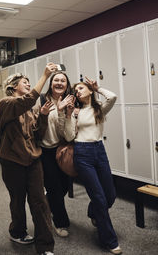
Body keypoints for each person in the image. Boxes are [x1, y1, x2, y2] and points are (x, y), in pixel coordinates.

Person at [0, 63, 58, 255]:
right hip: (12, 162)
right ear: (14, 86)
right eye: (25, 82)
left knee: (40, 202)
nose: (29, 84)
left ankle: (45, 246)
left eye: (30, 82)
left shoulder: (32, 109)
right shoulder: (6, 103)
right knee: (17, 200)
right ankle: (17, 231)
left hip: (33, 161)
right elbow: (27, 99)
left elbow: (38, 134)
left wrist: (43, 116)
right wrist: (45, 76)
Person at [72, 77, 122, 255]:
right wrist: (71, 115)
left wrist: (97, 87)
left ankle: (93, 212)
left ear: (89, 90)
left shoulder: (98, 108)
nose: (78, 91)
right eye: (75, 90)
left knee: (110, 194)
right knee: (100, 198)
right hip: (82, 153)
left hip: (99, 151)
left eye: (81, 88)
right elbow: (68, 133)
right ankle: (109, 240)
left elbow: (113, 97)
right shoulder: (75, 111)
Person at [35, 71, 76, 238]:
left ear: (67, 85)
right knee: (55, 188)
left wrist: (65, 113)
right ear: (51, 84)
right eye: (56, 80)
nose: (59, 83)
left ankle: (50, 201)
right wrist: (51, 112)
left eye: (63, 81)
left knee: (64, 186)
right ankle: (60, 223)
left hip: (62, 149)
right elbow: (37, 127)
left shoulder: (70, 102)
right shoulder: (42, 101)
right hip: (45, 150)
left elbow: (66, 134)